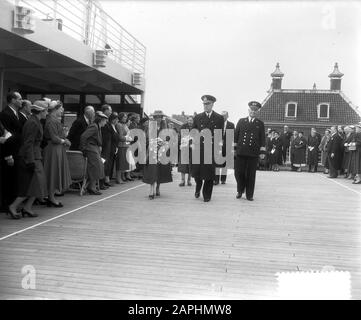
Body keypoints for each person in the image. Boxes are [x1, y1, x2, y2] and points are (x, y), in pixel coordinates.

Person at [7, 102, 48, 219]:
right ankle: (13, 207)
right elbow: (28, 143)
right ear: (41, 111)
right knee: (29, 184)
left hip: (34, 156)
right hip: (30, 157)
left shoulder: (35, 121)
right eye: (46, 111)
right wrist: (30, 161)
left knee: (37, 184)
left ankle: (27, 208)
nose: (47, 113)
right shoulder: (33, 123)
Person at [191, 95, 224, 202]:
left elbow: (220, 134)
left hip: (211, 149)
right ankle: (198, 186)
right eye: (204, 104)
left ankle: (207, 195)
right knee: (197, 173)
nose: (206, 106)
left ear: (212, 104)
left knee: (209, 173)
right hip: (199, 149)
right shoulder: (198, 117)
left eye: (208, 104)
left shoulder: (219, 118)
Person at [234, 101, 266, 201]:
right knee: (239, 173)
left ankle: (249, 195)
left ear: (257, 112)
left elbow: (262, 139)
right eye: (252, 110)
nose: (253, 112)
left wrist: (262, 152)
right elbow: (236, 136)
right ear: (249, 110)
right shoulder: (241, 121)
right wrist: (234, 150)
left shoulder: (260, 124)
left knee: (251, 174)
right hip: (241, 151)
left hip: (253, 153)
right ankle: (240, 190)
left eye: (255, 110)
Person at [43, 101, 71, 207]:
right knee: (52, 172)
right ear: (55, 109)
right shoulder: (51, 120)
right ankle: (51, 197)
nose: (62, 110)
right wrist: (64, 141)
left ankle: (51, 196)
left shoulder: (53, 120)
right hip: (53, 149)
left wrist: (63, 139)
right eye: (61, 109)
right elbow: (54, 138)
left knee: (53, 172)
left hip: (56, 149)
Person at [0, 91, 23, 209]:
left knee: (14, 178)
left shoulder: (16, 113)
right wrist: (8, 155)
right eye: (19, 99)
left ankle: (11, 202)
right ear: (13, 100)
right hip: (10, 152)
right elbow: (5, 136)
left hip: (16, 150)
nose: (21, 101)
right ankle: (6, 204)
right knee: (8, 178)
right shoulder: (5, 114)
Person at [142, 111, 173, 199]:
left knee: (160, 170)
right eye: (157, 117)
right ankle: (151, 190)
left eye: (160, 117)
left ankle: (158, 187)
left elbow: (168, 138)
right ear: (154, 118)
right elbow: (145, 138)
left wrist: (163, 142)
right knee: (152, 170)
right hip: (152, 151)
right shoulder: (149, 126)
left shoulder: (165, 126)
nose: (158, 118)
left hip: (162, 151)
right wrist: (153, 142)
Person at [80, 112, 108, 195]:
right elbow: (83, 136)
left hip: (94, 148)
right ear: (101, 120)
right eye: (105, 121)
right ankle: (91, 187)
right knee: (95, 167)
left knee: (97, 167)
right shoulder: (94, 126)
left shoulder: (97, 127)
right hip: (91, 148)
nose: (106, 122)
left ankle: (92, 187)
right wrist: (83, 148)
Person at [214, 111, 235, 185]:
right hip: (217, 146)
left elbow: (233, 137)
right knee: (216, 163)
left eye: (225, 116)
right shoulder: (217, 124)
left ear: (227, 116)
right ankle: (216, 180)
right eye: (222, 116)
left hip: (227, 147)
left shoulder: (231, 125)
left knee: (224, 164)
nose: (223, 117)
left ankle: (223, 179)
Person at [101, 112, 120, 186]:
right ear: (112, 119)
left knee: (110, 164)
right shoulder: (108, 126)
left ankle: (107, 179)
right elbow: (113, 137)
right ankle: (105, 180)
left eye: (117, 119)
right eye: (115, 119)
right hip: (108, 147)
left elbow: (116, 136)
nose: (117, 121)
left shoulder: (114, 126)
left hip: (113, 147)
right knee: (107, 164)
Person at [115, 113, 134, 183]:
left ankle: (122, 177)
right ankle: (118, 178)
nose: (125, 118)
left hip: (126, 145)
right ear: (120, 117)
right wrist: (128, 139)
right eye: (124, 117)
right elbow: (120, 137)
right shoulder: (119, 125)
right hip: (121, 145)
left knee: (123, 163)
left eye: (126, 117)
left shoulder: (125, 125)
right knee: (120, 162)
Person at [178, 115, 194, 186]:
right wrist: (179, 144)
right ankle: (182, 180)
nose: (190, 121)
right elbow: (180, 136)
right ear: (187, 120)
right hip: (184, 148)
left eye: (191, 120)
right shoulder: (183, 126)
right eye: (189, 120)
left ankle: (189, 180)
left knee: (190, 165)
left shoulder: (195, 127)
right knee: (183, 165)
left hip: (192, 148)